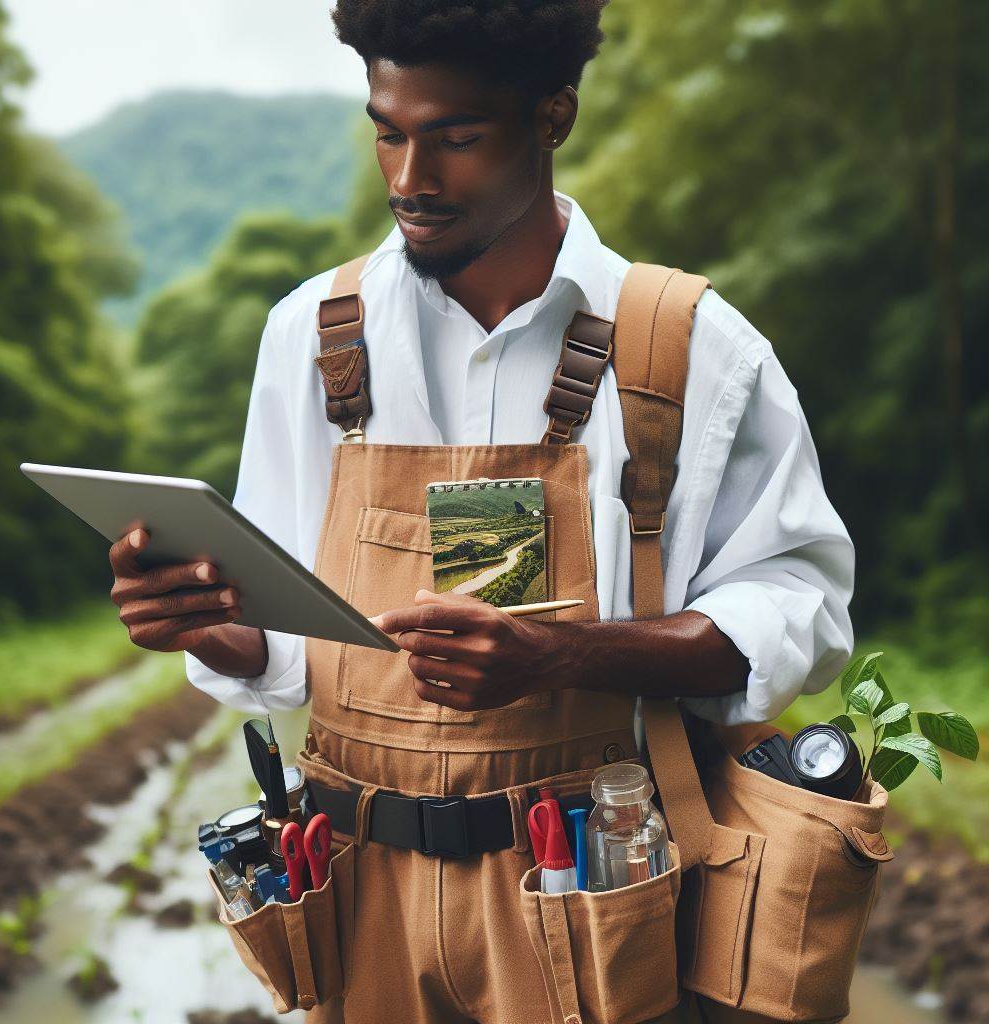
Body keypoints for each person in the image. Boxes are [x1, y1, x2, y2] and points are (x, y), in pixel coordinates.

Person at [107, 2, 854, 1021]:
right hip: (357, 889)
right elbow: (285, 646)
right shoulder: (310, 337)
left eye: (456, 137)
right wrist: (210, 630)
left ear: (553, 116)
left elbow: (798, 609)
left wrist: (564, 657)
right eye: (387, 130)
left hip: (592, 883)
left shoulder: (688, 350)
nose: (412, 178)